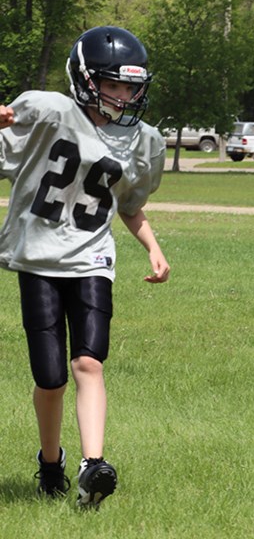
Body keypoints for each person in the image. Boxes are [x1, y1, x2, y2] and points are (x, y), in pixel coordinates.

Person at [0, 26, 170, 505]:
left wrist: (153, 248)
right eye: (112, 84)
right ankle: (50, 462)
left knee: (89, 362)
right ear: (86, 79)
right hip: (38, 256)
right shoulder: (48, 110)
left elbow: (130, 207)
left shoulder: (144, 141)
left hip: (92, 259)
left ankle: (93, 465)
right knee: (50, 378)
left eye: (129, 86)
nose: (123, 95)